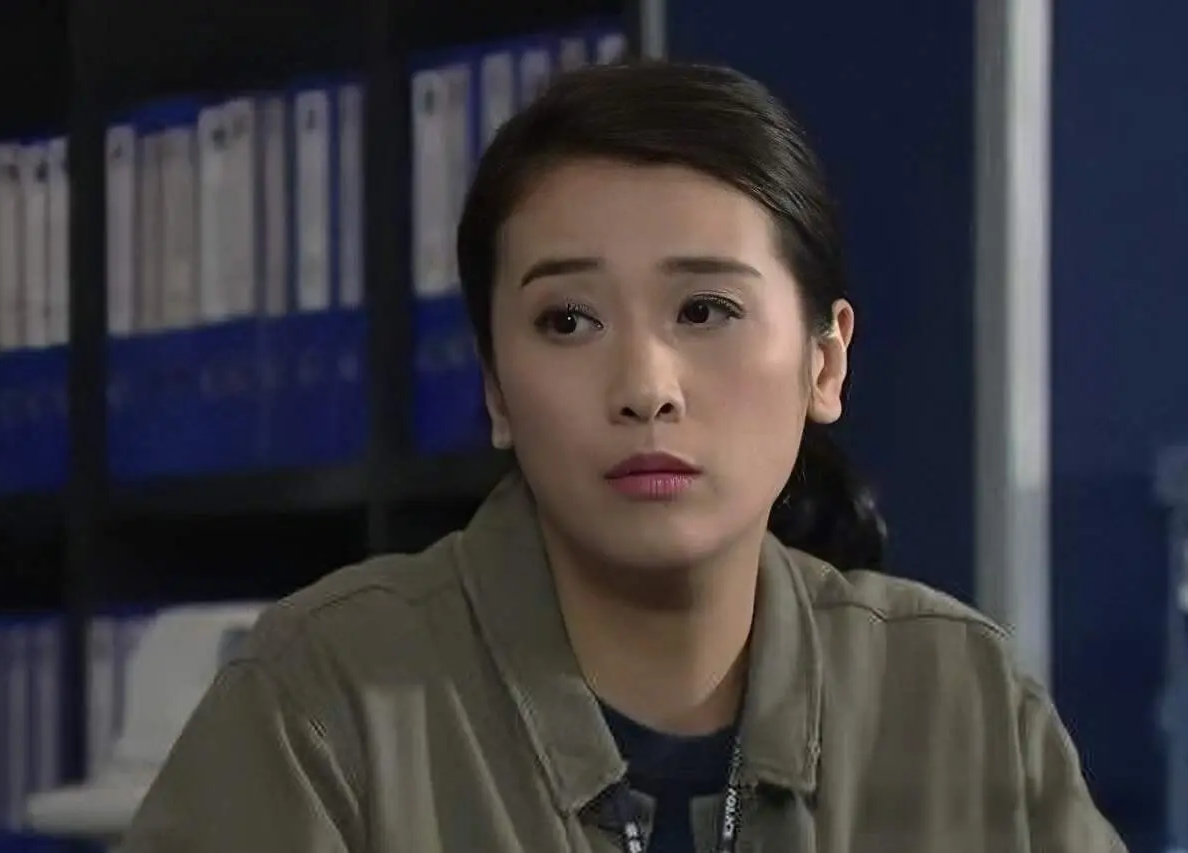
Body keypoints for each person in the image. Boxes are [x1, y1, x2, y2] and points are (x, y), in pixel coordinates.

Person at [122, 61, 1125, 853]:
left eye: (705, 310)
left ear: (823, 363)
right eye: (567, 320)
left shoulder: (958, 699)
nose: (645, 385)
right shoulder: (324, 700)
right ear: (495, 387)